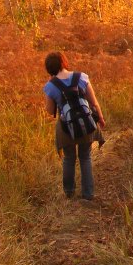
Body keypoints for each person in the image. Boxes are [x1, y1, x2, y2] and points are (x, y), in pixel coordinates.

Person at [43, 51, 106, 200]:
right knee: (85, 157)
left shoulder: (50, 86)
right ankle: (88, 194)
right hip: (86, 124)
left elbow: (50, 110)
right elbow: (94, 103)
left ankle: (69, 192)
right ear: (64, 62)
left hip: (66, 126)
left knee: (69, 158)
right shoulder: (81, 77)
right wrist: (101, 118)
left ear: (49, 68)